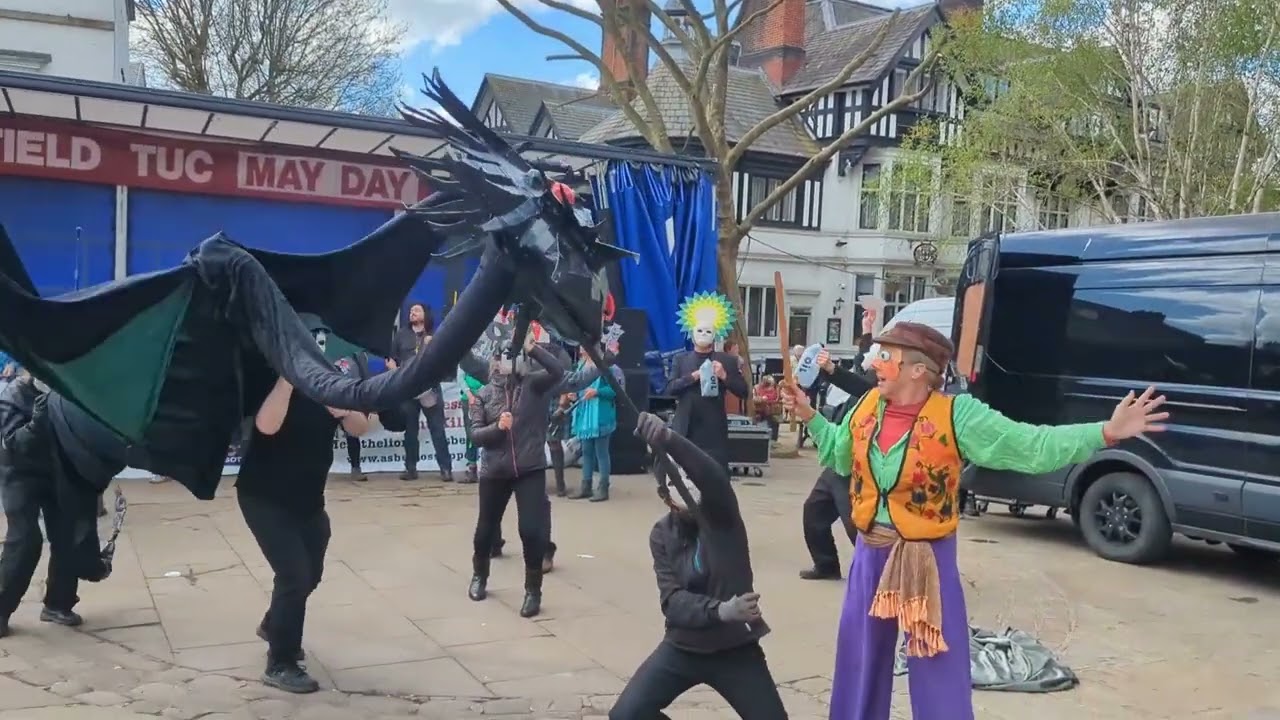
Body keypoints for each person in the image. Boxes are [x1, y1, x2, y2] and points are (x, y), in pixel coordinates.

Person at [780, 322, 1169, 720]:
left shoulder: (956, 415)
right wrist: (809, 414)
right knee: (860, 658)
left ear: (917, 369)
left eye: (884, 356)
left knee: (937, 663)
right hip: (871, 550)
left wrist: (1104, 432)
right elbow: (839, 454)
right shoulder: (867, 406)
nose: (873, 363)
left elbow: (1030, 445)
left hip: (927, 557)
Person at [609, 412, 787, 720]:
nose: (686, 486)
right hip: (683, 647)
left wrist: (669, 439)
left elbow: (712, 476)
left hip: (735, 649)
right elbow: (672, 601)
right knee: (626, 715)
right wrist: (720, 610)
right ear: (665, 494)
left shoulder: (722, 517)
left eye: (690, 479)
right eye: (676, 482)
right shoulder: (662, 534)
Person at [237, 369, 370, 694]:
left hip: (309, 502)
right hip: (264, 497)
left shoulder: (331, 384)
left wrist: (344, 409)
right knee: (294, 575)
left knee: (312, 574)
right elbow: (266, 426)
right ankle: (280, 662)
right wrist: (288, 380)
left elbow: (361, 427)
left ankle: (274, 623)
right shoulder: (271, 378)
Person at [0, 373, 113, 638]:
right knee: (25, 538)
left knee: (68, 534)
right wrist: (37, 422)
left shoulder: (69, 393)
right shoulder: (13, 397)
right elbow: (12, 445)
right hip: (19, 472)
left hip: (58, 469)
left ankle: (58, 603)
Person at [467, 328, 564, 618]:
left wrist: (533, 349)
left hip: (529, 467)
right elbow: (475, 436)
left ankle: (533, 590)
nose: (506, 362)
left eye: (513, 356)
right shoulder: (484, 395)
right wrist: (497, 428)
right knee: (486, 529)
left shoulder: (533, 385)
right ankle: (479, 575)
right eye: (502, 357)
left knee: (531, 530)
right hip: (495, 471)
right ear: (494, 362)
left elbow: (557, 371)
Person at [799, 311, 878, 581]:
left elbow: (861, 385)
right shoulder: (870, 370)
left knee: (855, 524)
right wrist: (866, 330)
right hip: (838, 457)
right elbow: (862, 361)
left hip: (856, 467)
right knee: (814, 511)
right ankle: (826, 566)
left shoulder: (881, 388)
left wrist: (832, 369)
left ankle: (877, 572)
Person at [666, 293, 748, 471]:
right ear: (692, 333)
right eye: (700, 331)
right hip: (686, 428)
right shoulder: (681, 360)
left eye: (708, 331)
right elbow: (670, 389)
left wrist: (724, 376)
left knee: (716, 475)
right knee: (685, 476)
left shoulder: (726, 360)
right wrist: (693, 376)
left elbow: (744, 391)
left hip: (713, 432)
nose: (703, 334)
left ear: (715, 333)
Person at [387, 302, 453, 482]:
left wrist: (432, 346)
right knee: (410, 430)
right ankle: (410, 468)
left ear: (426, 314)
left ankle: (446, 468)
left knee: (437, 429)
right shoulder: (401, 335)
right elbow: (391, 359)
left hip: (430, 387)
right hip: (408, 389)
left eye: (416, 310)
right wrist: (396, 372)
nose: (412, 313)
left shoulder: (435, 335)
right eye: (410, 311)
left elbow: (445, 361)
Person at [570, 347, 623, 502]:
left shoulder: (607, 366)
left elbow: (615, 391)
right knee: (586, 451)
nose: (581, 348)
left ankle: (603, 488)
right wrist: (574, 394)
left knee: (602, 452)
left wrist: (597, 392)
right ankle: (586, 486)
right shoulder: (580, 365)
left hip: (601, 416)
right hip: (585, 416)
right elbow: (577, 385)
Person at [336, 352, 371, 482]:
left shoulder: (357, 352)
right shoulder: (322, 348)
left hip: (352, 397)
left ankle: (356, 468)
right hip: (329, 394)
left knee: (352, 434)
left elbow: (366, 378)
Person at [459, 370, 486, 485]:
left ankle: (492, 468)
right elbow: (460, 377)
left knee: (492, 431)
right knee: (471, 434)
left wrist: (483, 392)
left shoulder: (487, 358)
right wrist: (469, 394)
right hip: (468, 399)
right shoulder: (463, 360)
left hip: (488, 397)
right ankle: (472, 468)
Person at [752, 376, 781, 441]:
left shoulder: (775, 388)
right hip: (760, 408)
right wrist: (762, 400)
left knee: (774, 421)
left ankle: (773, 440)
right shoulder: (757, 388)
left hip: (772, 409)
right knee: (759, 420)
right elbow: (754, 398)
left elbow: (777, 399)